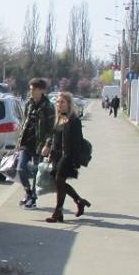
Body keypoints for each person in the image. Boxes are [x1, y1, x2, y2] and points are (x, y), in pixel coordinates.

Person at [42, 91, 91, 223]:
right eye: (58, 102)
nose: (59, 104)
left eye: (62, 102)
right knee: (59, 182)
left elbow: (78, 141)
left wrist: (74, 159)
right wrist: (49, 149)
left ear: (69, 104)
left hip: (68, 156)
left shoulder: (74, 120)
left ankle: (58, 212)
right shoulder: (59, 118)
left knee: (59, 180)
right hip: (57, 155)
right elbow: (54, 136)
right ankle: (79, 201)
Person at [16, 78, 55, 209]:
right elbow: (24, 123)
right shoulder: (29, 103)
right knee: (20, 169)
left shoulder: (48, 106)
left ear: (41, 90)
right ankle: (28, 193)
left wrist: (47, 145)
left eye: (33, 89)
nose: (31, 92)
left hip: (40, 145)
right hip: (26, 143)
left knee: (37, 173)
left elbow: (52, 129)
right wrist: (19, 141)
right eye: (30, 89)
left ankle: (33, 198)